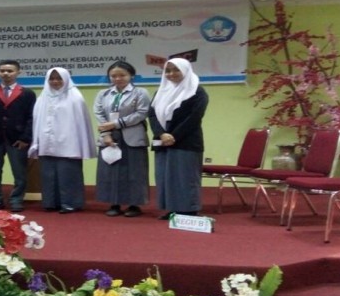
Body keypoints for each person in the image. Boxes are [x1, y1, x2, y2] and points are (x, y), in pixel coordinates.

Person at [149, 58, 209, 220]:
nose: (171, 74)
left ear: (185, 70)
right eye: (168, 71)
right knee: (165, 177)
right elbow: (152, 115)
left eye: (176, 70)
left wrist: (174, 136)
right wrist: (161, 134)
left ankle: (188, 210)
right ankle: (172, 209)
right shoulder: (161, 91)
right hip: (162, 140)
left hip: (186, 141)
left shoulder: (197, 92)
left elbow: (194, 118)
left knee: (185, 177)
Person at [29, 67, 96, 214]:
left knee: (68, 174)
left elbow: (80, 123)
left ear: (66, 79)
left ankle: (70, 203)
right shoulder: (43, 97)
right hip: (46, 142)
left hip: (69, 143)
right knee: (48, 175)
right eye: (52, 79)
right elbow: (37, 121)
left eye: (59, 78)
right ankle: (50, 203)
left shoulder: (75, 97)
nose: (55, 81)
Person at [93, 61, 151, 218]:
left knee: (135, 171)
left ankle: (134, 205)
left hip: (133, 136)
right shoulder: (103, 94)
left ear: (131, 75)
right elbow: (99, 114)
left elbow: (141, 113)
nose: (118, 78)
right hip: (109, 136)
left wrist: (116, 123)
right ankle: (114, 203)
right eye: (113, 76)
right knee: (110, 171)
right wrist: (106, 134)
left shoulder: (140, 92)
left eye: (122, 75)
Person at [0, 59, 37, 212]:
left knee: (19, 172)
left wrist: (25, 138)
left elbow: (31, 118)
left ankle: (16, 200)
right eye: (2, 71)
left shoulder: (27, 93)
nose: (6, 73)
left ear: (18, 72)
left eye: (10, 71)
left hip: (17, 139)